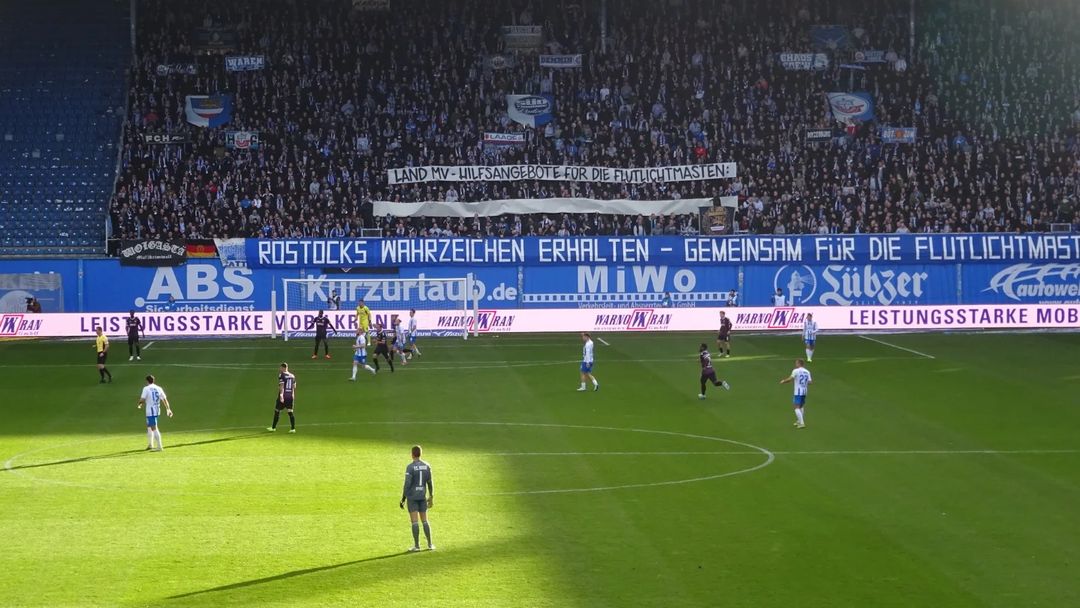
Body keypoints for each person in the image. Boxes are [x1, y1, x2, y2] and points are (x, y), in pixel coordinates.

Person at [399, 445, 434, 552]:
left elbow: (407, 484)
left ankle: (417, 546)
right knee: (425, 521)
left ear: (412, 454)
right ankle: (430, 544)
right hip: (422, 497)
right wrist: (431, 496)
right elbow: (430, 482)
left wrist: (403, 498)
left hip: (412, 498)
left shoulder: (410, 467)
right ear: (420, 454)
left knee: (414, 522)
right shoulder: (427, 466)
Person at [137, 374, 173, 451]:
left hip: (150, 411)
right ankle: (150, 444)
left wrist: (139, 403)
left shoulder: (146, 388)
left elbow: (142, 399)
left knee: (154, 428)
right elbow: (164, 399)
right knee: (149, 427)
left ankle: (160, 446)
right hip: (157, 410)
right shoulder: (158, 388)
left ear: (147, 381)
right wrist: (168, 409)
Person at [780, 359, 813, 429]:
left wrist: (783, 381)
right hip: (804, 391)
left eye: (796, 363)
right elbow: (810, 382)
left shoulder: (796, 370)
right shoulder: (807, 371)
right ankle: (799, 420)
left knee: (796, 407)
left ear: (798, 364)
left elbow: (790, 379)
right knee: (801, 406)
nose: (795, 364)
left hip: (798, 392)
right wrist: (803, 383)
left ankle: (802, 423)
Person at [268, 362, 297, 433]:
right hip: (290, 396)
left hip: (283, 395)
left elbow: (281, 385)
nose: (280, 369)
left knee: (277, 411)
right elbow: (294, 386)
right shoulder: (292, 376)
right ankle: (293, 429)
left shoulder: (282, 375)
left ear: (284, 368)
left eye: (281, 368)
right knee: (290, 412)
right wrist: (293, 395)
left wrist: (281, 395)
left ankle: (273, 428)